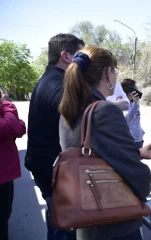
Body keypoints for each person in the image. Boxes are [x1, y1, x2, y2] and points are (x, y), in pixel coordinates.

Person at [59, 46, 151, 240]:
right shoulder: (105, 110)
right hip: (115, 223)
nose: (116, 76)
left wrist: (137, 152)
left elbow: (94, 156)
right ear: (108, 73)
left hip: (86, 218)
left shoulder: (70, 108)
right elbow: (134, 174)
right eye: (115, 71)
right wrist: (144, 181)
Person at [24, 33, 84, 240]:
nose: (84, 62)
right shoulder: (61, 85)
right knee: (64, 228)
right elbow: (76, 131)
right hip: (55, 172)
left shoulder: (48, 79)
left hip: (46, 167)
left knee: (57, 221)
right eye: (80, 55)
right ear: (66, 56)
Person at [0, 85, 26, 240]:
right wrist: (6, 103)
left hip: (4, 175)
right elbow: (11, 127)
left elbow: (19, 128)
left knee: (4, 216)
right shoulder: (5, 106)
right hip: (2, 176)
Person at [121, 78, 145, 148]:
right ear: (130, 90)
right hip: (130, 141)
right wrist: (135, 105)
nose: (137, 89)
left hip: (139, 139)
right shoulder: (124, 104)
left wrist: (141, 132)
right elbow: (127, 120)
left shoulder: (133, 102)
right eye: (135, 87)